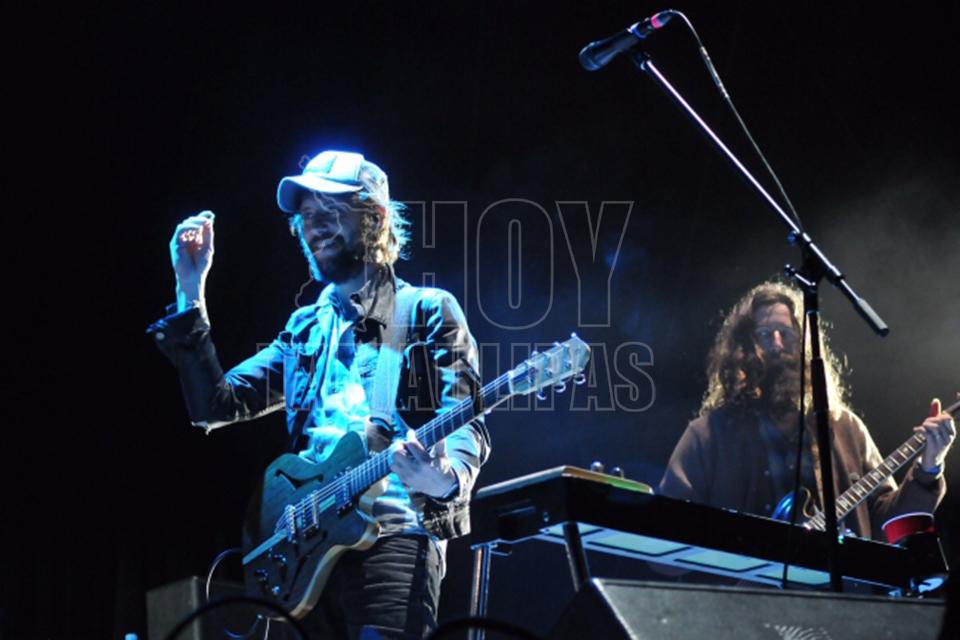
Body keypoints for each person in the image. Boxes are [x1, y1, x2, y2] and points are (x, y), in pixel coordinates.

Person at [147, 150, 490, 638]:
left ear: (376, 218)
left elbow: (465, 420)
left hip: (392, 537)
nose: (315, 226)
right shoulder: (305, 327)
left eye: (331, 211)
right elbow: (216, 406)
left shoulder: (427, 310)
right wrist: (190, 287)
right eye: (307, 215)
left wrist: (444, 479)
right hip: (306, 553)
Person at [659, 281, 954, 540]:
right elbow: (669, 529)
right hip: (747, 586)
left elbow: (889, 526)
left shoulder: (846, 428)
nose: (777, 345)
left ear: (805, 344)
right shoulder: (708, 435)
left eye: (786, 334)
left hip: (835, 586)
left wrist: (930, 466)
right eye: (765, 335)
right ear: (744, 347)